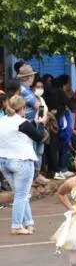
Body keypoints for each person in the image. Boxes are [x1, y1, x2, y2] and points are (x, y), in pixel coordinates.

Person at [0, 95, 47, 234]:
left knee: (21, 194)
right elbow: (39, 136)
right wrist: (41, 123)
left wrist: (34, 123)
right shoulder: (22, 123)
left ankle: (28, 223)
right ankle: (16, 226)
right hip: (22, 161)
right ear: (23, 108)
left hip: (4, 161)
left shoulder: (2, 120)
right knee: (21, 195)